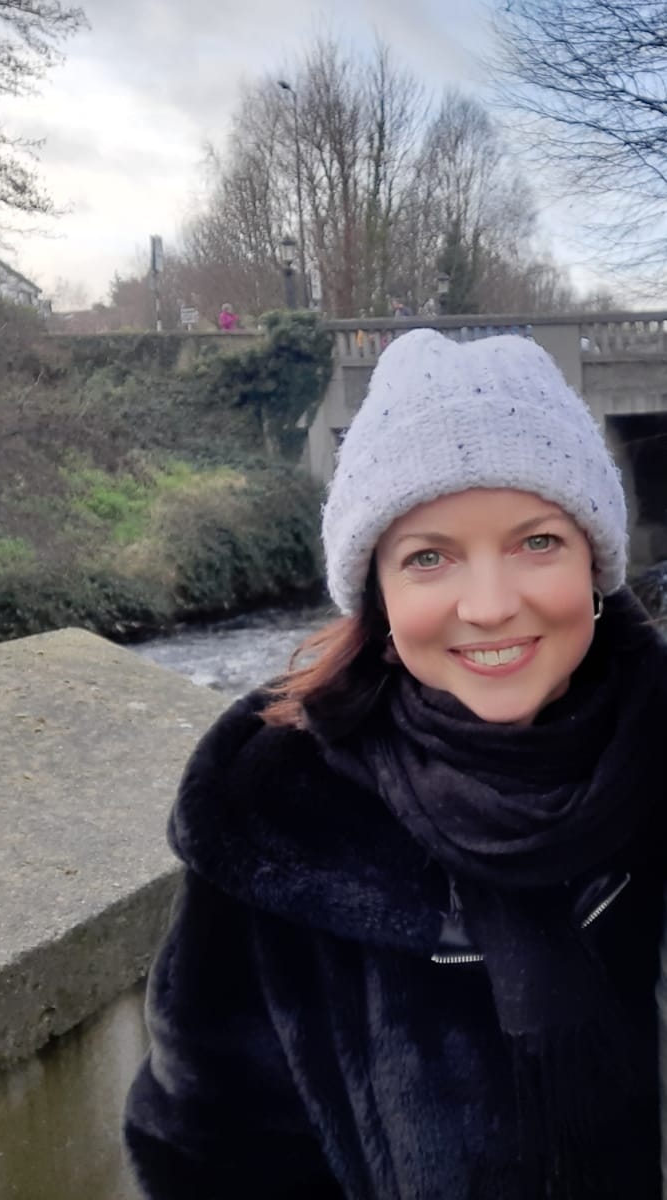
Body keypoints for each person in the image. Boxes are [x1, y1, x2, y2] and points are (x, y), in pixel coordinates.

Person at [124, 329, 667, 1199]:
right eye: (429, 557)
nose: (490, 606)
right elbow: (210, 1156)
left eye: (538, 542)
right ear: (378, 592)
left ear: (596, 562)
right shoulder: (278, 825)